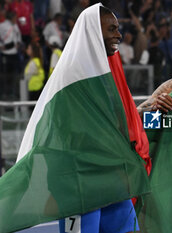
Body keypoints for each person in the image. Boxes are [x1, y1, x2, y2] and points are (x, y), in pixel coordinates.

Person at [58, 6, 140, 233]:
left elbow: (114, 123)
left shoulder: (109, 71)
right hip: (82, 185)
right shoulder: (71, 74)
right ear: (94, 32)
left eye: (118, 28)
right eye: (112, 29)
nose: (119, 34)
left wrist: (143, 111)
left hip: (113, 180)